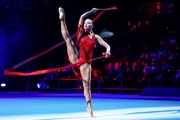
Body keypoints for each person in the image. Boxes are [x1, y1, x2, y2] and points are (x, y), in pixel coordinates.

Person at [58, 7, 111, 117]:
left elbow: (107, 46)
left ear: (92, 26)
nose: (86, 25)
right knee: (68, 39)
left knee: (86, 86)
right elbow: (82, 17)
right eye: (85, 24)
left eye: (88, 23)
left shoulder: (95, 37)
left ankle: (90, 109)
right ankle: (62, 18)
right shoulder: (80, 32)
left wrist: (108, 51)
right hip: (76, 57)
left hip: (85, 62)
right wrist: (92, 12)